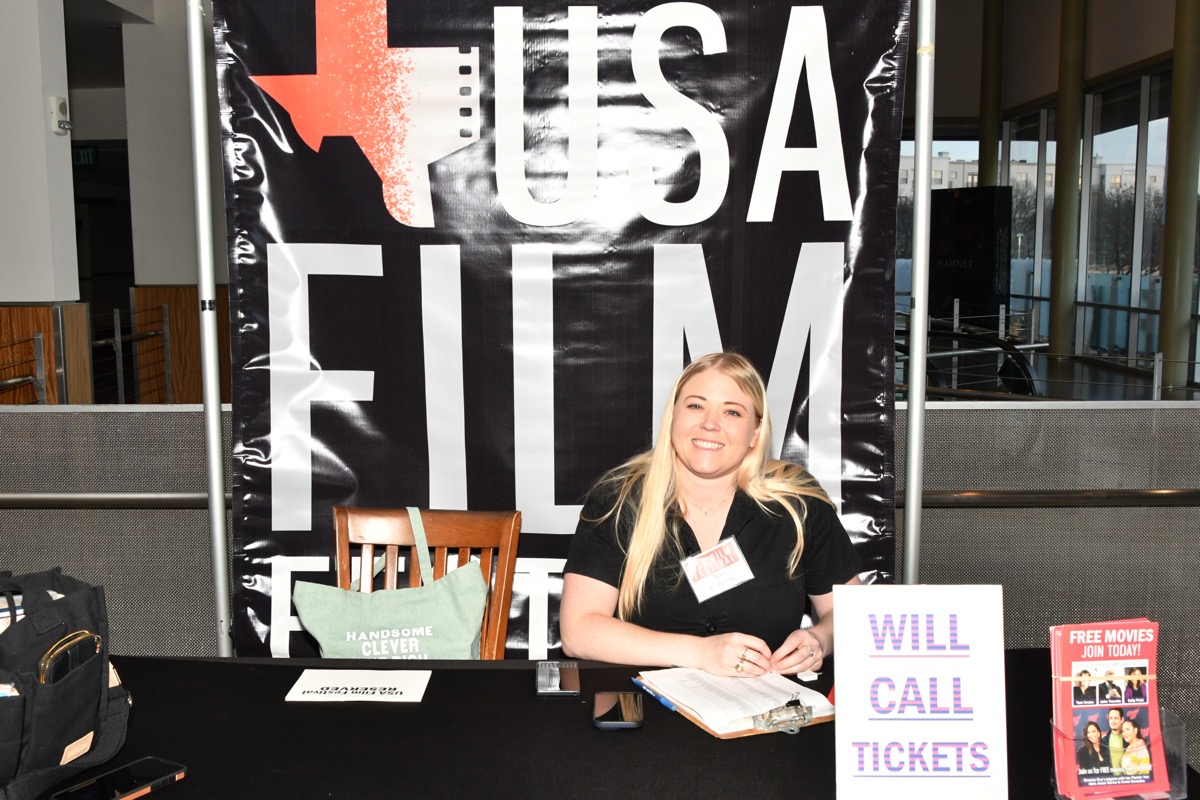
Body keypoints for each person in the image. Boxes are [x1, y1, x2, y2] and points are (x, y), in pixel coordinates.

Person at [560, 352, 863, 676]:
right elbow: (579, 631)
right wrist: (701, 652)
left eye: (732, 411)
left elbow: (850, 613)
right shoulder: (619, 499)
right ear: (673, 415)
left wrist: (819, 640)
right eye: (695, 405)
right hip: (652, 709)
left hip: (768, 711)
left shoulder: (799, 502)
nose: (710, 423)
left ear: (756, 433)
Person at [1104, 707, 1127, 773]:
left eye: (1116, 718)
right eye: (1111, 718)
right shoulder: (1104, 740)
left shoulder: (1128, 738)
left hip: (1127, 780)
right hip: (1110, 780)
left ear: (1122, 720)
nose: (1113, 721)